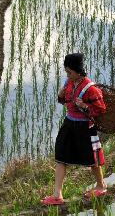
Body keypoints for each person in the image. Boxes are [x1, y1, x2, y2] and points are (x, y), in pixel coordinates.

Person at [41, 52, 108, 205]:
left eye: (70, 72)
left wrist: (84, 105)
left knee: (92, 159)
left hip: (85, 127)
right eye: (66, 72)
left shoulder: (91, 89)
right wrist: (61, 95)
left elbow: (100, 110)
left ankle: (101, 185)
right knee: (61, 156)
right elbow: (66, 101)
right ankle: (57, 195)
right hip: (69, 123)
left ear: (78, 71)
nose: (68, 75)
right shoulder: (69, 83)